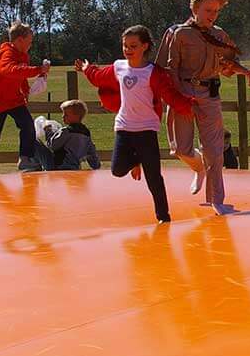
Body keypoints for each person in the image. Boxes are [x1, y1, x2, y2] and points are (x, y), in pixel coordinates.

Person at [75, 25, 193, 224]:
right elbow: (98, 78)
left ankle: (163, 217)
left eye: (133, 46)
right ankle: (136, 160)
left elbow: (170, 96)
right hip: (124, 128)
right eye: (125, 45)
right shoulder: (119, 67)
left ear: (144, 46)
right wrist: (87, 68)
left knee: (153, 178)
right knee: (118, 170)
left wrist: (191, 107)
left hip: (146, 129)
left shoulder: (153, 72)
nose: (127, 50)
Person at [156, 0, 250, 216]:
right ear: (195, 8)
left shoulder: (219, 35)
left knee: (215, 150)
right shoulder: (178, 34)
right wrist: (178, 97)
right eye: (208, 10)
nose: (213, 15)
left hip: (209, 96)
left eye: (217, 10)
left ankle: (216, 199)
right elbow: (167, 69)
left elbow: (227, 64)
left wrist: (243, 71)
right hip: (182, 95)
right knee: (181, 149)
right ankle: (198, 167)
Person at [0, 21, 50, 175]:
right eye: (29, 41)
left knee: (28, 125)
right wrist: (37, 69)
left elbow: (21, 77)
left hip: (15, 100)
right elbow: (10, 71)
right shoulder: (6, 53)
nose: (31, 44)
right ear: (19, 40)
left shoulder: (24, 55)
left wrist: (27, 90)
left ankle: (25, 159)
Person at [33, 99, 102, 172]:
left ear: (76, 116)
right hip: (74, 167)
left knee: (33, 140)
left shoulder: (66, 131)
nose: (63, 116)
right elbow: (91, 153)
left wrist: (48, 131)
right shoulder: (86, 134)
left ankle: (33, 166)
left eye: (66, 114)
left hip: (56, 166)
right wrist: (96, 165)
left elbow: (52, 146)